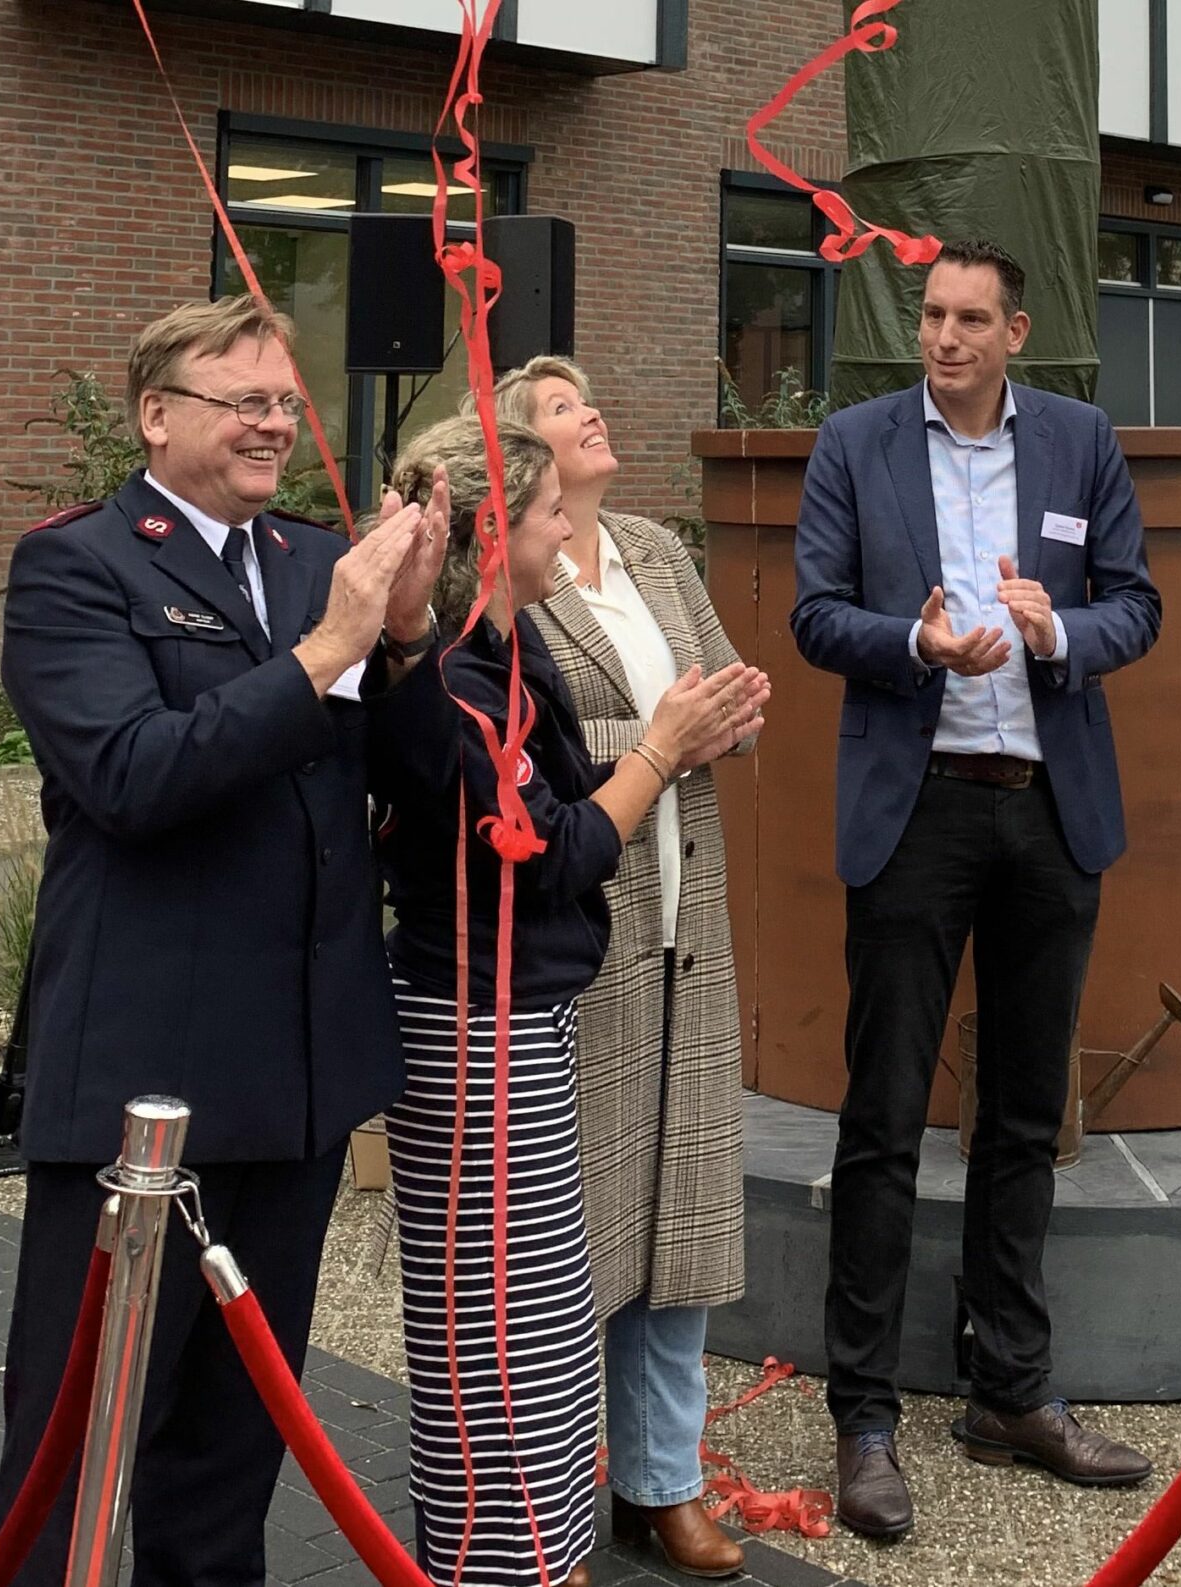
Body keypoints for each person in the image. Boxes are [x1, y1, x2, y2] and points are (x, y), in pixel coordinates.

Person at [0, 295, 444, 1586]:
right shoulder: (79, 565)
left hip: (295, 1081)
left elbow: (415, 789)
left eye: (285, 402)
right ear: (156, 414)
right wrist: (327, 650)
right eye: (242, 399)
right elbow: (131, 776)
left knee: (233, 1450)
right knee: (77, 1445)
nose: (272, 424)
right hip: (148, 1086)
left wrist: (407, 639)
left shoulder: (315, 562)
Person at [790, 238, 1164, 1540]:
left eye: (968, 319)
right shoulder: (855, 445)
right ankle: (865, 1417)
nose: (944, 337)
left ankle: (1010, 1390)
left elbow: (1138, 605)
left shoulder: (1079, 442)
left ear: (1016, 331)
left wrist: (1060, 630)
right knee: (884, 1115)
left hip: (1048, 811)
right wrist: (916, 640)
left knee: (1020, 1116)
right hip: (918, 808)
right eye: (931, 315)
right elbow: (816, 614)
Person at [371, 416, 767, 1587]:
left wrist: (684, 737)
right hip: (477, 1019)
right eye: (549, 512)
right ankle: (505, 1558)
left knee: (540, 1321)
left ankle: (546, 1548)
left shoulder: (501, 650)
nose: (567, 531)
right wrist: (658, 750)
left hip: (533, 998)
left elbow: (558, 796)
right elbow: (548, 847)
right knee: (505, 1325)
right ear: (498, 533)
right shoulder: (457, 675)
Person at [492, 356, 757, 1579]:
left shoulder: (653, 548)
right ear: (519, 451)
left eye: (588, 396)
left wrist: (728, 716)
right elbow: (515, 736)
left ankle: (664, 1484)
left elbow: (713, 684)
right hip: (586, 924)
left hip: (687, 923)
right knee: (581, 1224)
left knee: (680, 1214)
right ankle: (552, 1490)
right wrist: (660, 739)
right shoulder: (513, 572)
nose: (591, 411)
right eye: (561, 406)